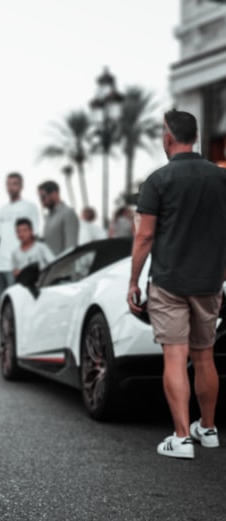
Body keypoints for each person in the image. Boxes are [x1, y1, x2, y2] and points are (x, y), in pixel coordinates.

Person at [129, 109, 226, 459]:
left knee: (175, 356)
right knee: (204, 357)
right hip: (210, 282)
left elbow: (144, 237)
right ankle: (209, 429)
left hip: (170, 281)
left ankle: (182, 438)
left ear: (168, 138)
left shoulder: (159, 180)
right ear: (196, 137)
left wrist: (133, 281)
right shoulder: (220, 178)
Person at [0, 172, 41, 295]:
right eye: (8, 184)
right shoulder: (2, 209)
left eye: (14, 184)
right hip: (0, 265)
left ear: (21, 187)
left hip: (17, 267)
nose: (11, 187)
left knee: (16, 301)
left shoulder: (29, 207)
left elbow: (34, 236)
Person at [37, 180, 79, 256]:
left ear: (54, 193)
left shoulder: (68, 213)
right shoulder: (49, 217)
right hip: (49, 265)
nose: (41, 201)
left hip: (63, 266)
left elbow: (70, 248)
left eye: (43, 197)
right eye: (40, 198)